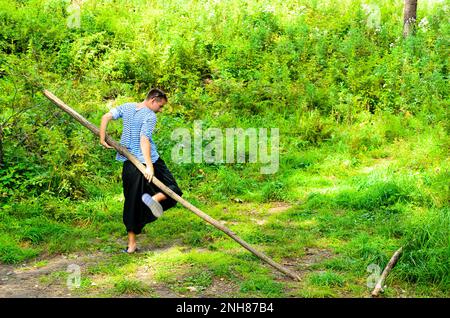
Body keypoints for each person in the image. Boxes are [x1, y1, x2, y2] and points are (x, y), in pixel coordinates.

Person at [99, 88, 183, 253]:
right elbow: (144, 140)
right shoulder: (149, 116)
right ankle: (150, 201)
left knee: (131, 201)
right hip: (149, 161)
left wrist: (102, 138)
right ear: (153, 100)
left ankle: (131, 245)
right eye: (160, 106)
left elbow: (105, 117)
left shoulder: (128, 107)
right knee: (173, 189)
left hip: (129, 162)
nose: (160, 110)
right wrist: (149, 166)